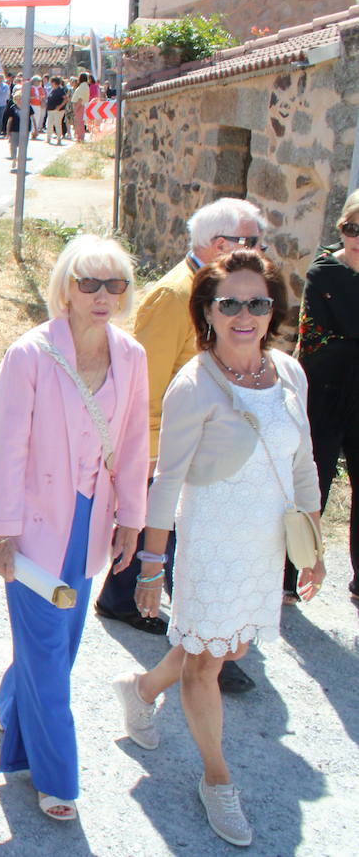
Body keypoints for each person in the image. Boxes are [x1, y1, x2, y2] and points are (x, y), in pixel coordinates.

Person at [111, 250, 323, 848]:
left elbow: (302, 462)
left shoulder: (288, 373)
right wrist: (152, 567)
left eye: (256, 302)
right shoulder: (193, 384)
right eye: (229, 302)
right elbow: (167, 481)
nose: (244, 314)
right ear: (207, 310)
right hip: (209, 542)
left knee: (224, 644)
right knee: (206, 660)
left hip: (263, 546)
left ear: (272, 308)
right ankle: (217, 779)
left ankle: (143, 689)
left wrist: (312, 548)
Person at [0, 235, 150, 822]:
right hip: (32, 525)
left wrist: (133, 515)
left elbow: (132, 443)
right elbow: (6, 448)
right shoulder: (29, 354)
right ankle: (56, 777)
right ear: (66, 288)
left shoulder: (131, 354)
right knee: (50, 654)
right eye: (89, 283)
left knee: (63, 644)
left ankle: (12, 701)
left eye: (116, 284)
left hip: (91, 517)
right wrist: (2, 532)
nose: (103, 296)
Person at [93, 197, 267, 693]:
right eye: (251, 241)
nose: (259, 250)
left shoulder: (213, 291)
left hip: (201, 445)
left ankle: (126, 601)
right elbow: (142, 383)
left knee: (174, 544)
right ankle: (209, 650)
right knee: (187, 549)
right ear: (219, 245)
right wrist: (147, 458)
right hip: (171, 448)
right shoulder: (174, 296)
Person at [297, 190, 359, 599]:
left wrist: (347, 337)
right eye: (350, 227)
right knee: (310, 482)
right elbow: (314, 342)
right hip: (324, 391)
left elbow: (339, 335)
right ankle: (294, 572)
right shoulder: (323, 273)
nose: (357, 236)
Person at [45, 78, 68, 146]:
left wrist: (60, 106)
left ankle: (59, 139)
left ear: (54, 83)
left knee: (57, 124)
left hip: (57, 110)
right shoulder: (53, 90)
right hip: (51, 110)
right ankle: (48, 138)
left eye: (51, 82)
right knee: (49, 124)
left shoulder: (60, 90)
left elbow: (66, 99)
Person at [70, 72, 91, 143]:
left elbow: (80, 98)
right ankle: (79, 136)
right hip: (81, 105)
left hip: (80, 105)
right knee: (79, 122)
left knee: (79, 122)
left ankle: (80, 137)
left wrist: (76, 108)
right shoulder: (84, 86)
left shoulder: (83, 86)